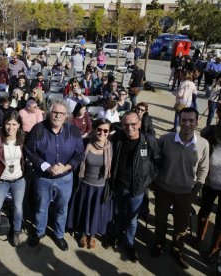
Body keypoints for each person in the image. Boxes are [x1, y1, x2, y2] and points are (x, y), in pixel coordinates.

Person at [152, 108, 209, 269]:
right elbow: (155, 162)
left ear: (197, 122)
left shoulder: (203, 144)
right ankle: (159, 242)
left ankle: (177, 248)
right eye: (184, 120)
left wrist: (196, 189)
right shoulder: (165, 139)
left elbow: (203, 169)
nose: (187, 124)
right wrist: (155, 183)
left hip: (186, 193)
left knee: (181, 224)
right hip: (163, 189)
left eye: (191, 120)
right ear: (179, 121)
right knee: (160, 218)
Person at [26, 100, 84, 251]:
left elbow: (79, 154)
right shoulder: (38, 129)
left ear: (66, 116)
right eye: (55, 112)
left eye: (61, 113)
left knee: (62, 208)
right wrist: (47, 167)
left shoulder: (73, 131)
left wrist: (66, 167)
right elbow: (29, 151)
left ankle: (59, 235)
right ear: (49, 113)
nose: (58, 115)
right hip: (43, 177)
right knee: (41, 207)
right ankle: (39, 232)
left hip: (65, 178)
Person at [109, 111, 160, 262]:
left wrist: (149, 179)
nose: (129, 127)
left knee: (132, 219)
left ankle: (129, 243)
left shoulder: (149, 141)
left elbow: (157, 161)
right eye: (126, 124)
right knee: (117, 214)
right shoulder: (117, 137)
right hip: (119, 186)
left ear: (139, 124)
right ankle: (117, 236)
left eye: (133, 124)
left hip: (137, 189)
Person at [67, 118, 113, 249]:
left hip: (101, 186)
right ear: (94, 129)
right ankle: (82, 234)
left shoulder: (111, 146)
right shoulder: (85, 143)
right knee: (84, 210)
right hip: (85, 184)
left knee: (95, 212)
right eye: (99, 129)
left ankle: (92, 235)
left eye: (106, 130)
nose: (102, 133)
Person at [0, 111, 26, 249]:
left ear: (19, 125)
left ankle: (16, 231)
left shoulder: (23, 139)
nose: (11, 127)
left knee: (18, 208)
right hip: (1, 181)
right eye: (8, 123)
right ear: (3, 124)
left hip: (19, 180)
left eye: (14, 124)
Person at [197, 103, 221, 263]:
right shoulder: (209, 132)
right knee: (204, 212)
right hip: (209, 181)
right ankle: (199, 238)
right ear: (219, 113)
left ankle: (214, 248)